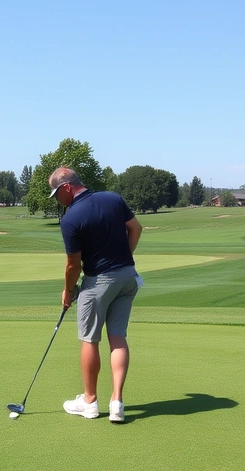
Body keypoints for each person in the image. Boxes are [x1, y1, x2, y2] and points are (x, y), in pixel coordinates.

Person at [49, 166, 143, 423]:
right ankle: (117, 403)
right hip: (127, 278)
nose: (57, 200)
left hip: (98, 283)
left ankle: (89, 401)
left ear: (67, 187)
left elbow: (73, 265)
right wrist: (124, 260)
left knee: (90, 339)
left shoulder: (70, 219)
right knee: (118, 337)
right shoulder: (112, 198)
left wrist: (68, 291)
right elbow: (136, 228)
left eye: (57, 194)